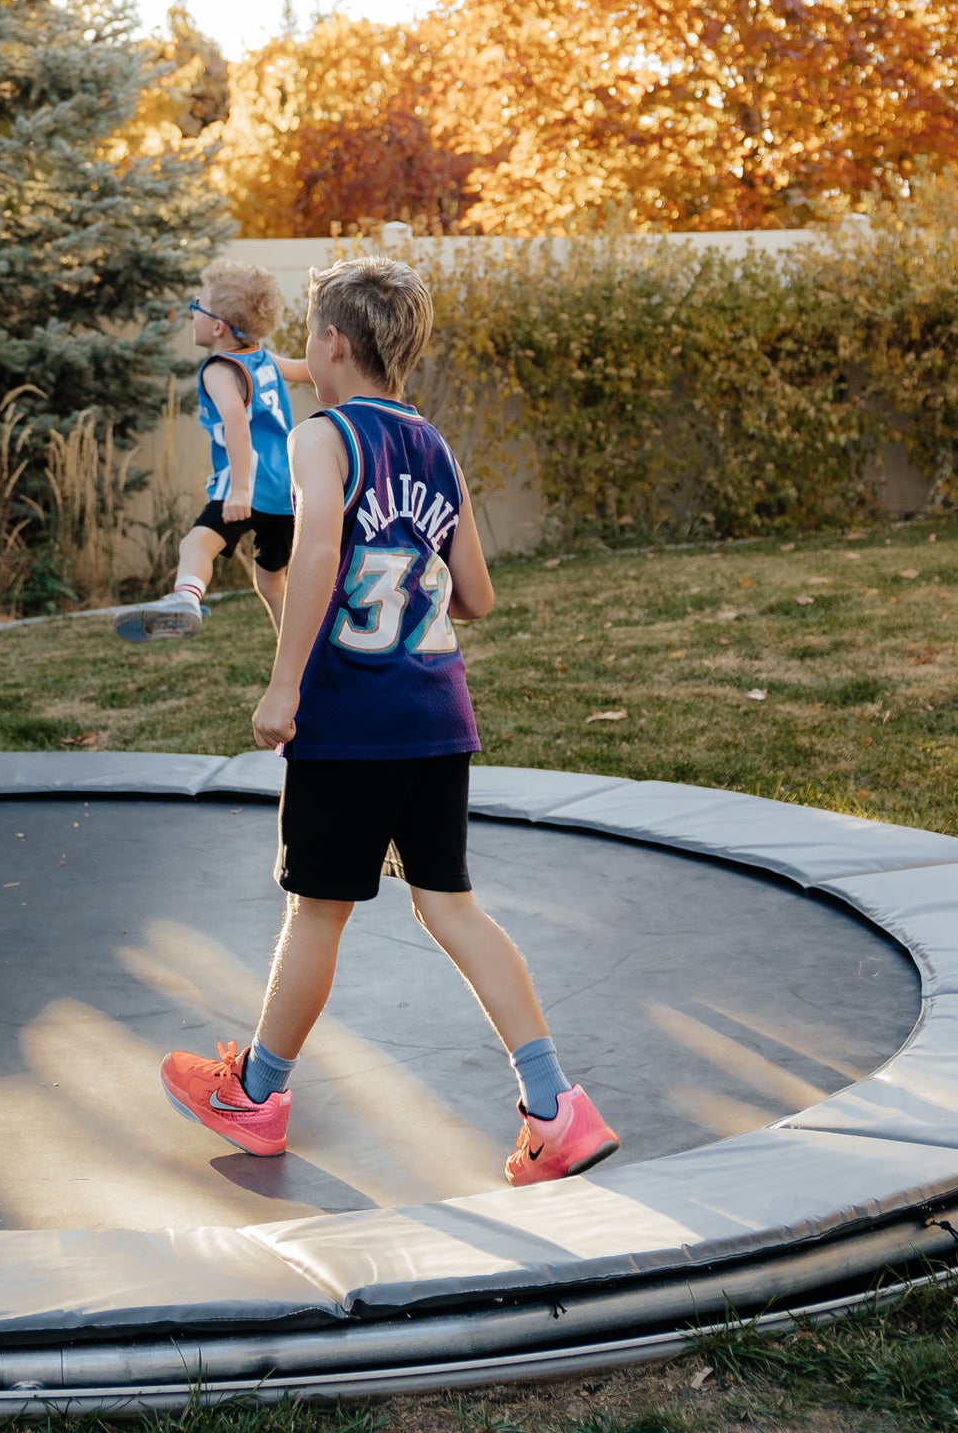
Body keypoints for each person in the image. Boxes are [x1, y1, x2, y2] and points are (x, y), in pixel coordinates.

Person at [159, 255, 619, 1187]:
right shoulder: (436, 446)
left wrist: (285, 686)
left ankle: (256, 1095)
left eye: (311, 338)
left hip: (352, 719)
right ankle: (556, 1107)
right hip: (436, 714)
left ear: (333, 343)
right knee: (450, 905)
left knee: (316, 909)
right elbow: (477, 597)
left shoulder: (324, 437)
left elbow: (319, 550)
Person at [115, 261, 309, 642]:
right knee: (271, 583)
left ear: (218, 327)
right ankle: (300, 658)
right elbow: (306, 370)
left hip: (247, 484)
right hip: (286, 491)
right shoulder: (264, 359)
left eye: (197, 305)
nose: (192, 311)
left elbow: (236, 424)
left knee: (196, 544)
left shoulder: (219, 370)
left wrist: (239, 490)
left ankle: (186, 598)